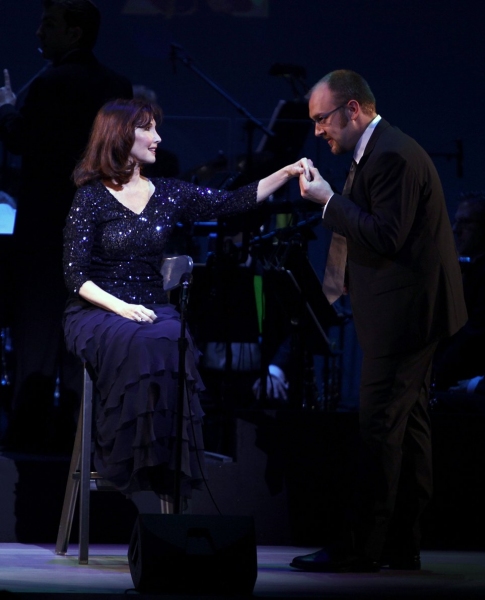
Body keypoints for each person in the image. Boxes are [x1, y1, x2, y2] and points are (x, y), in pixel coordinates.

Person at [62, 97, 308, 505]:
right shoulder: (89, 198)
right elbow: (76, 277)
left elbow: (230, 203)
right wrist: (120, 308)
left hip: (149, 306)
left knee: (172, 337)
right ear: (122, 135)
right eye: (149, 129)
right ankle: (122, 456)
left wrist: (285, 172)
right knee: (142, 340)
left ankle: (162, 463)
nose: (158, 138)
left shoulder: (169, 193)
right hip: (97, 310)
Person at [289, 70, 467, 572]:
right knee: (407, 430)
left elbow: (386, 235)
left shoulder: (390, 154)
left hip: (406, 317)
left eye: (322, 119)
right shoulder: (379, 150)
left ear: (352, 109)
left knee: (379, 430)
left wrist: (327, 201)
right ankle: (400, 545)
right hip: (407, 313)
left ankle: (359, 548)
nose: (318, 130)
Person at [0, 0, 133, 452]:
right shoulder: (117, 86)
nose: (38, 33)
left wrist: (5, 108)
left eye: (48, 24)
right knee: (84, 348)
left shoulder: (50, 84)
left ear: (73, 33)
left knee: (35, 347)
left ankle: (27, 447)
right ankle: (78, 449)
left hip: (44, 238)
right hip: (97, 238)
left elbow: (21, 139)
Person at [432, 192, 485, 391]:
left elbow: (474, 336)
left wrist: (435, 376)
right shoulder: (468, 269)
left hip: (467, 383)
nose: (456, 230)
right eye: (456, 222)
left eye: (466, 223)